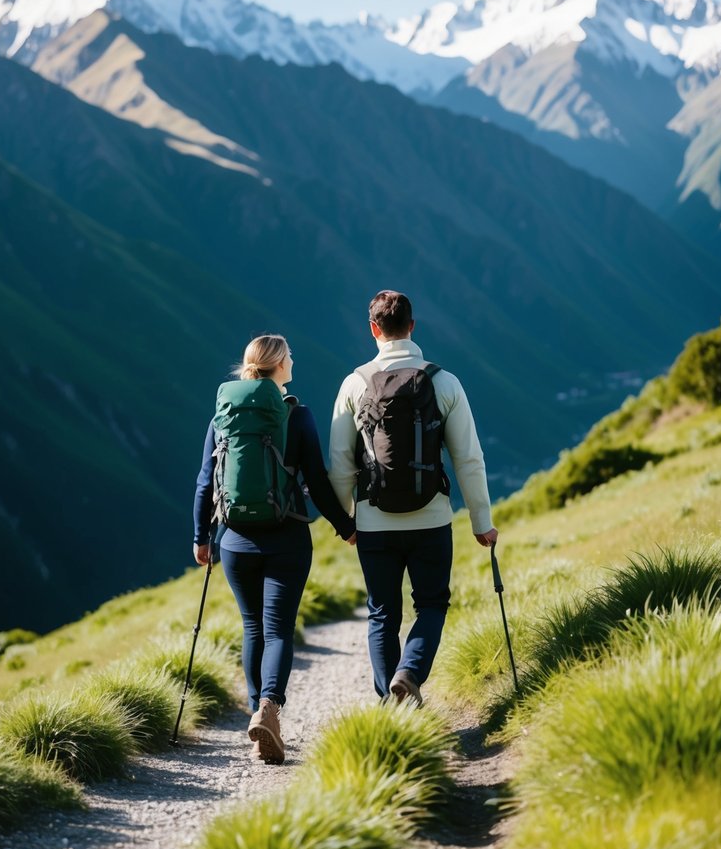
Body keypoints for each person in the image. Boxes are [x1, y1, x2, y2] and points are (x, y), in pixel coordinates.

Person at [328, 290, 498, 704]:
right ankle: (410, 674)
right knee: (433, 604)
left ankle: (390, 704)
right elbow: (468, 458)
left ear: (374, 330)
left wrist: (346, 521)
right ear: (412, 326)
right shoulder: (443, 381)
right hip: (431, 518)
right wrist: (482, 522)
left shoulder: (354, 384)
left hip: (373, 522)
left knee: (383, 614)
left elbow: (339, 463)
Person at [193, 333, 356, 763]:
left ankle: (256, 711)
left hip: (234, 541)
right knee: (279, 629)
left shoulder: (223, 417)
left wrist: (200, 538)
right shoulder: (296, 416)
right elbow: (318, 482)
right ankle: (269, 707)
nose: (293, 361)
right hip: (286, 538)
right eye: (289, 357)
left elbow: (205, 483)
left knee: (252, 628)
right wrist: (346, 527)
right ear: (279, 365)